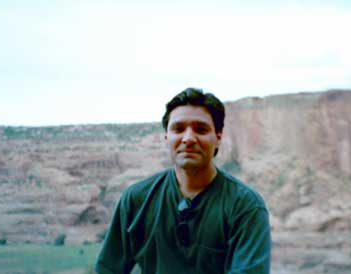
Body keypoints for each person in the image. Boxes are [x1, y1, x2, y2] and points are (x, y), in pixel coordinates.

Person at [95, 88, 271, 274]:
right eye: (178, 129)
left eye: (201, 130)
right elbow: (108, 269)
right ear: (166, 137)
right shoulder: (136, 200)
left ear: (218, 138)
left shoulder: (245, 206)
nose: (188, 139)